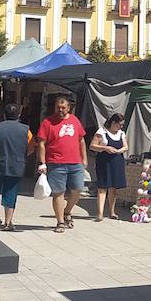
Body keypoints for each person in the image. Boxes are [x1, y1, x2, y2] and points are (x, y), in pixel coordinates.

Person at [37, 95, 88, 233]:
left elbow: (81, 140)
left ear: (68, 108)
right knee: (58, 192)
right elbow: (41, 143)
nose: (60, 110)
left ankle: (67, 211)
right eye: (57, 107)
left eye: (63, 107)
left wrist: (84, 158)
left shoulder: (74, 120)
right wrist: (42, 163)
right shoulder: (48, 122)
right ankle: (60, 222)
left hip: (75, 162)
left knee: (78, 189)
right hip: (56, 163)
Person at [0, 103, 30, 231]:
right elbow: (31, 146)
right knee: (11, 192)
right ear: (18, 115)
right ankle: (8, 222)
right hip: (17, 165)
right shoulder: (26, 130)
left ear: (4, 114)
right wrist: (22, 156)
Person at [89, 113, 128, 221]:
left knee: (113, 187)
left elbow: (126, 146)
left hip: (117, 161)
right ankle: (100, 213)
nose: (121, 127)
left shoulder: (121, 133)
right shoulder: (102, 132)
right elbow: (92, 146)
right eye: (119, 124)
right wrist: (105, 148)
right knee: (102, 187)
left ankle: (112, 211)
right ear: (113, 123)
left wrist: (120, 150)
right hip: (104, 161)